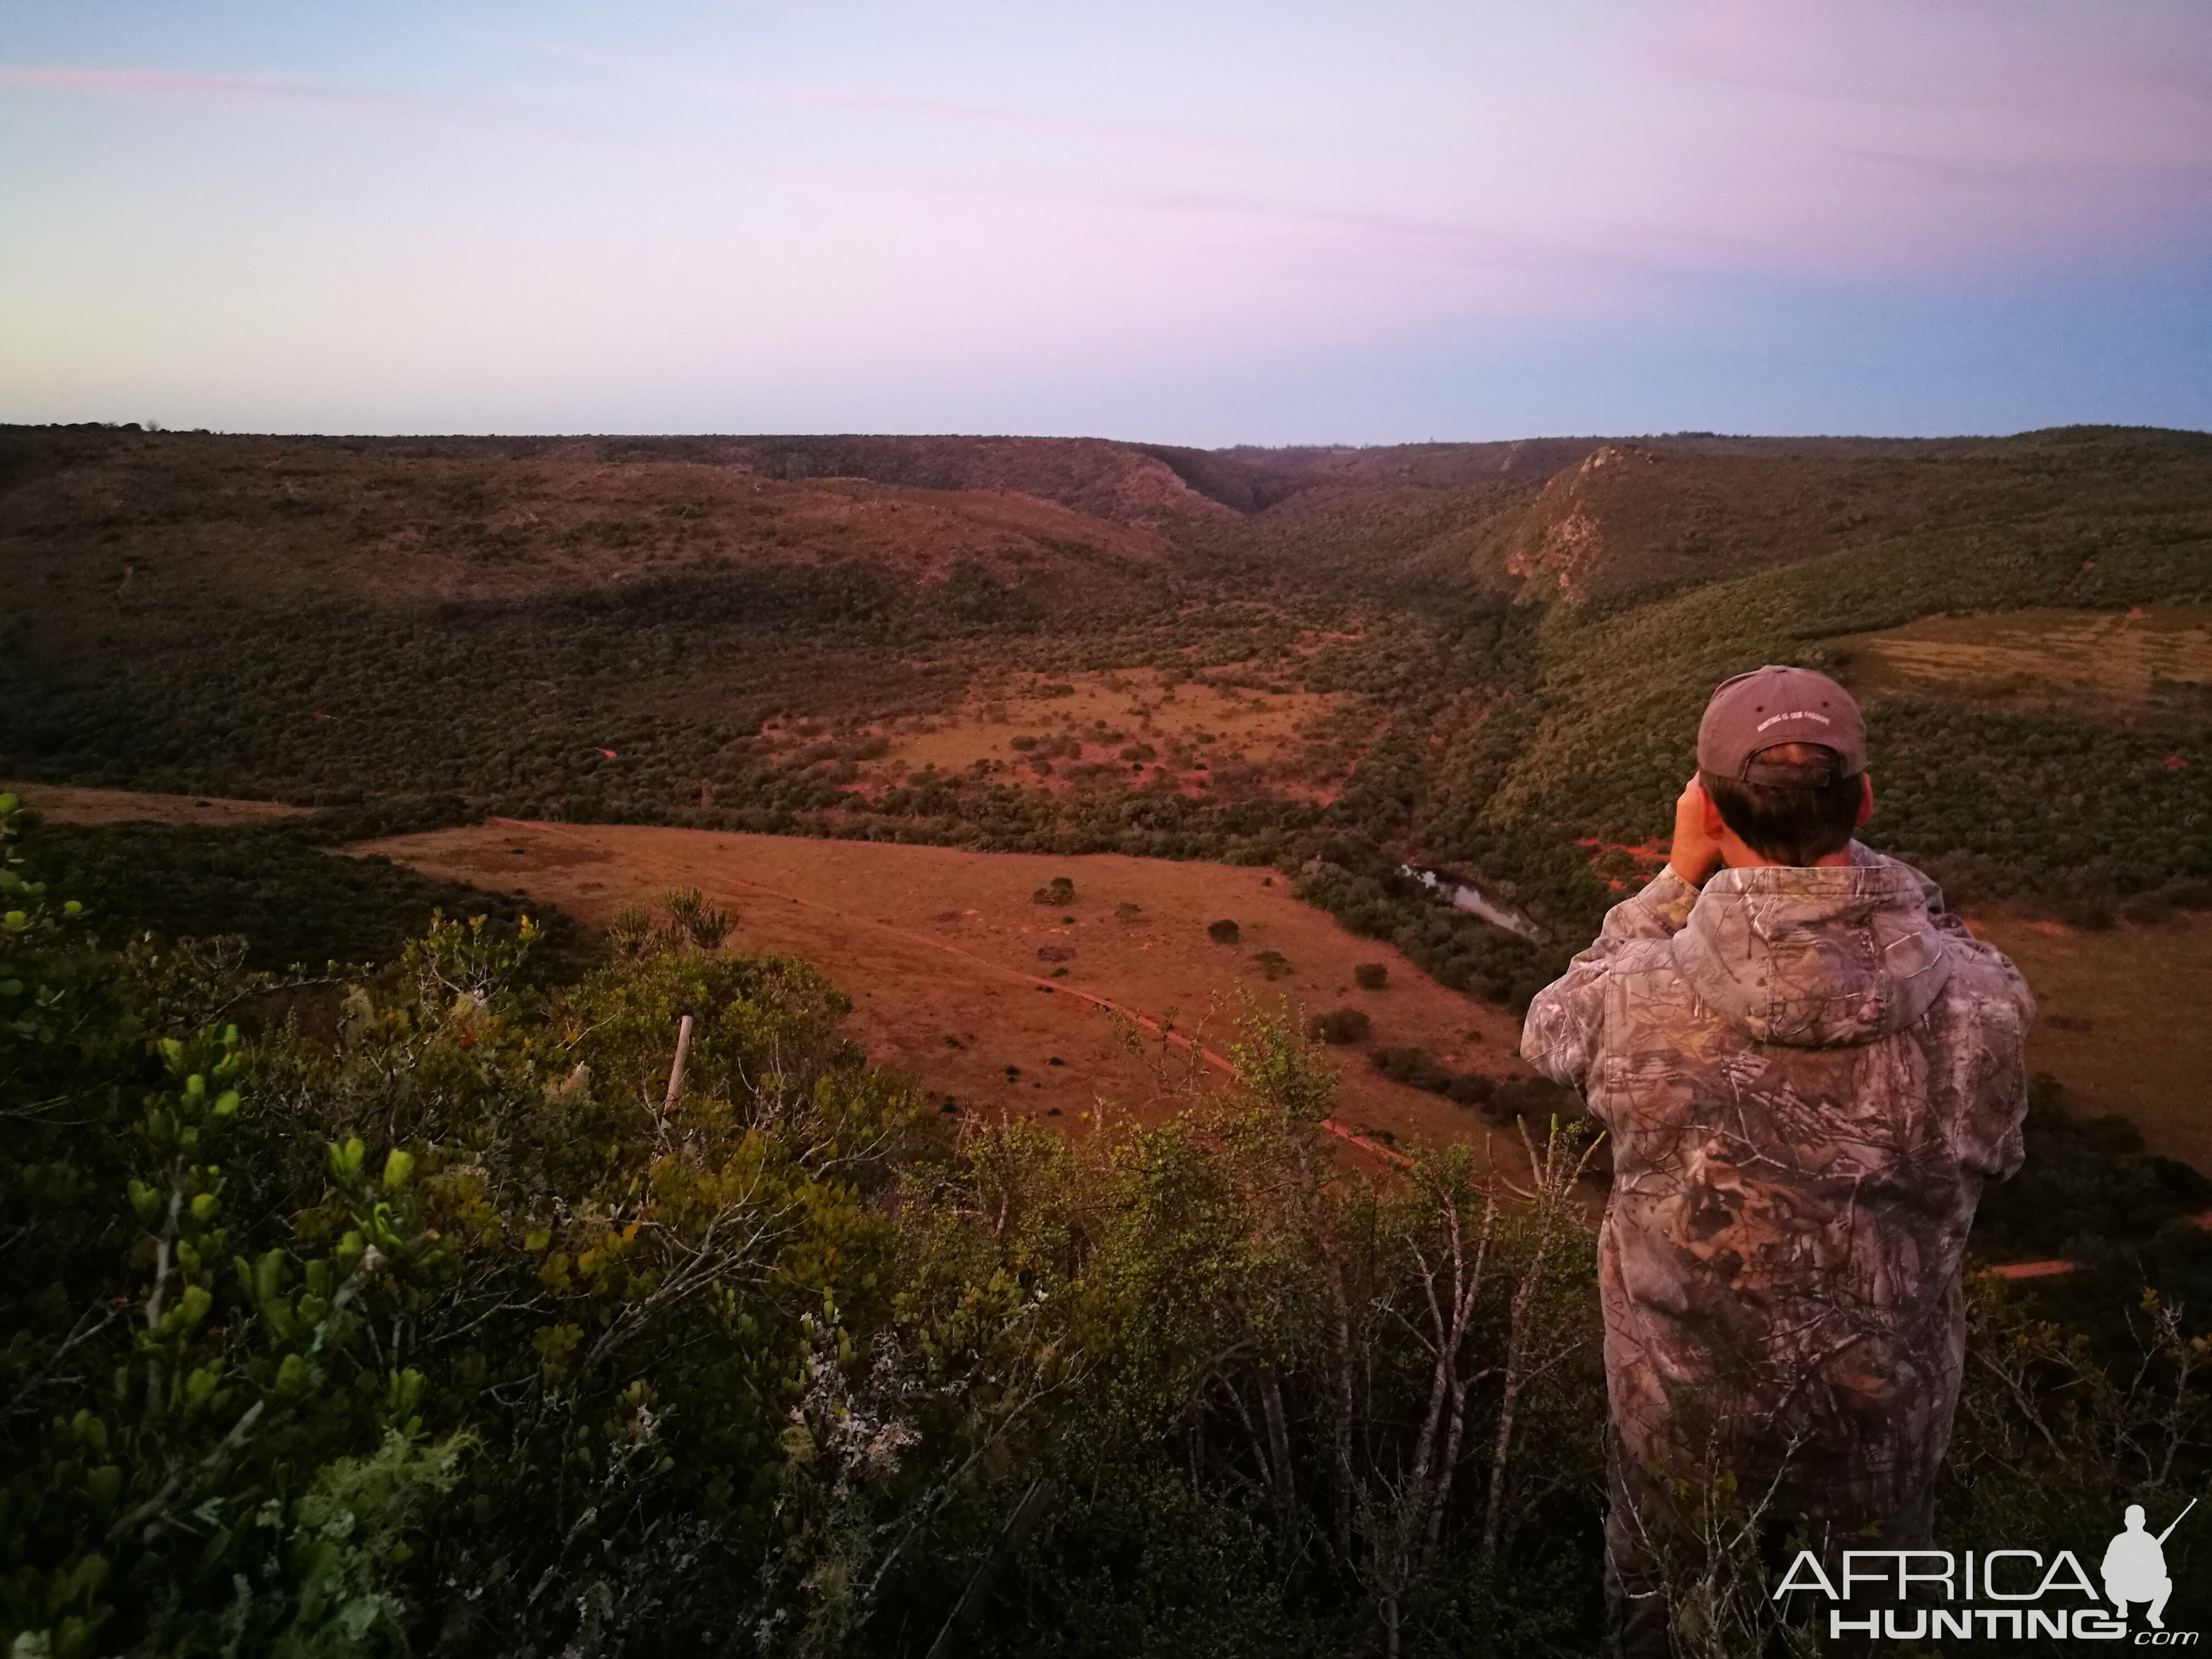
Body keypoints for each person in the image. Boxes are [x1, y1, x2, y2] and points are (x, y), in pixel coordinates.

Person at [1520, 665, 2036, 1658]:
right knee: (1874, 1628)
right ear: (1866, 802)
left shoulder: (1633, 994)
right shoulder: (1984, 1004)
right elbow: (1995, 1151)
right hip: (1880, 1428)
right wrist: (1868, 881)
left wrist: (1677, 882)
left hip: (1680, 1418)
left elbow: (1550, 1028)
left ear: (1707, 810)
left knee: (1661, 1618)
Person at [2103, 1504, 2176, 1629]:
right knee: (2112, 1579)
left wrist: (2147, 1567)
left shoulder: (2150, 1541)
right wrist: (2123, 1571)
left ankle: (2154, 1615)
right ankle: (2122, 1606)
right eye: (2132, 1520)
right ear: (2126, 1522)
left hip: (2144, 1588)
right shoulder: (2119, 1541)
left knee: (2166, 1583)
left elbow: (2162, 1571)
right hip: (2123, 1589)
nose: (2134, 1524)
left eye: (2137, 1520)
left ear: (2143, 1522)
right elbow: (2105, 1570)